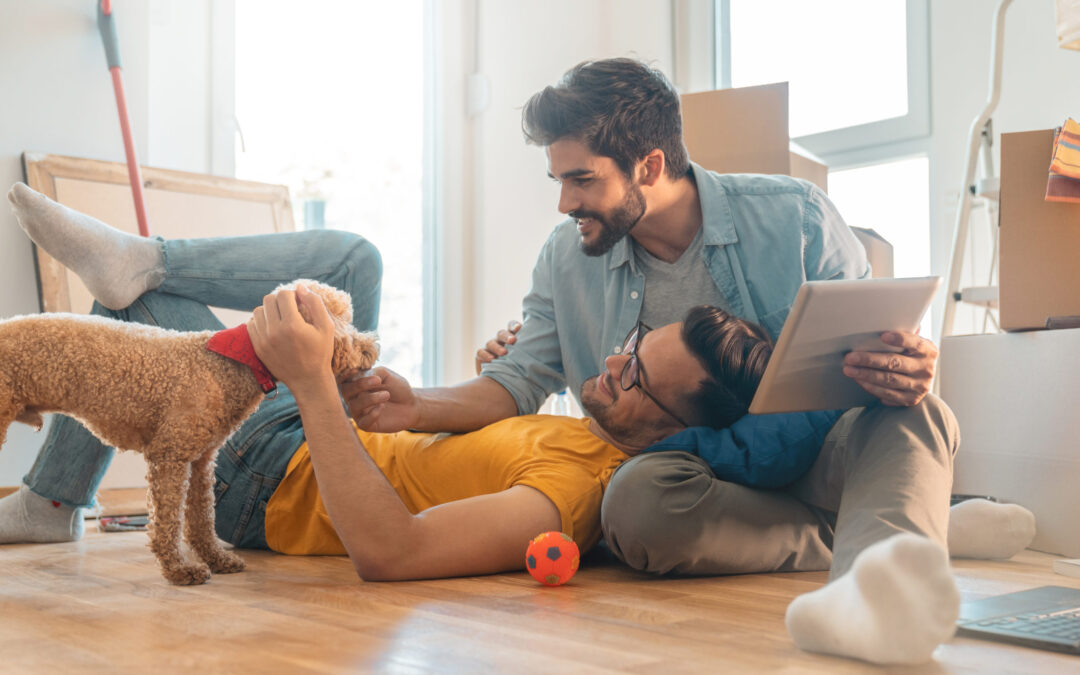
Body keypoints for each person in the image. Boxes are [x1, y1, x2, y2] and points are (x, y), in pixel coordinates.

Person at [344, 58, 1035, 665]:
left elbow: (877, 356)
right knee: (632, 506)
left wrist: (906, 367)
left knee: (919, 414)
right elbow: (517, 380)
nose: (565, 202)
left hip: (818, 452)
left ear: (649, 165)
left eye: (581, 179)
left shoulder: (795, 218)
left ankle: (875, 588)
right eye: (558, 179)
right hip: (696, 481)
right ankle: (875, 530)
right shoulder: (566, 257)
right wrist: (418, 406)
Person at [0, 182, 773, 581]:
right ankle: (146, 264)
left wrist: (309, 384)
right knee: (349, 262)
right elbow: (440, 457)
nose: (611, 360)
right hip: (308, 432)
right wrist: (411, 406)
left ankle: (52, 496)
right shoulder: (575, 428)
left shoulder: (573, 492)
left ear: (674, 429)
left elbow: (391, 549)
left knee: (126, 304)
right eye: (634, 342)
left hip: (265, 479)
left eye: (636, 374)